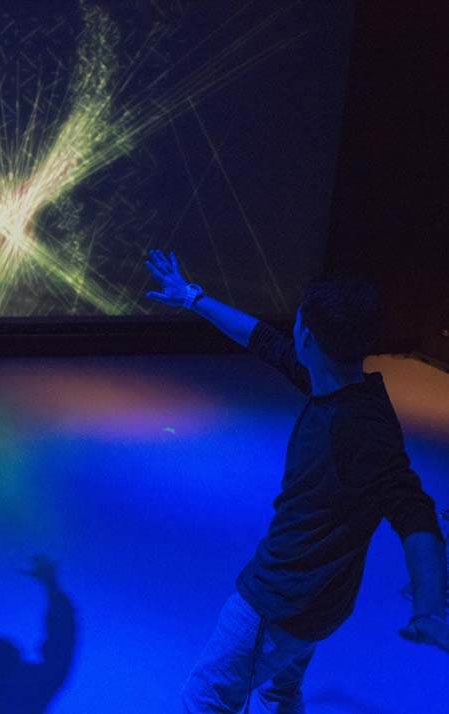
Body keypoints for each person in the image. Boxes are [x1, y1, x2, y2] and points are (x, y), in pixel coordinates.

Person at [143, 250, 449, 712]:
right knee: (280, 689)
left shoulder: (354, 428)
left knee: (206, 697)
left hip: (276, 604)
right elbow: (266, 342)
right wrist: (193, 298)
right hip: (322, 605)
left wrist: (427, 608)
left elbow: (413, 512)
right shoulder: (346, 389)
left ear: (307, 334)